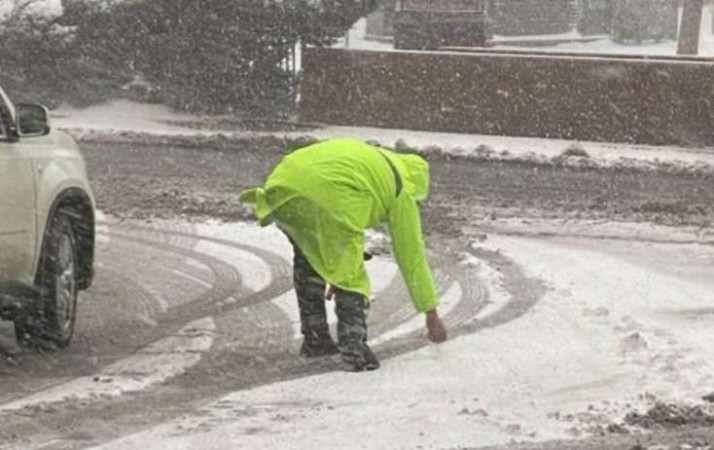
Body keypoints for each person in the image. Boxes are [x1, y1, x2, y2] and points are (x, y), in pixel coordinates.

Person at [239, 138, 447, 372]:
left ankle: (315, 339)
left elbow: (337, 222)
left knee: (308, 258)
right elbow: (412, 256)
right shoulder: (401, 189)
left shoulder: (372, 161)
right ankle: (353, 349)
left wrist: (334, 265)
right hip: (329, 193)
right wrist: (432, 314)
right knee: (352, 277)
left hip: (282, 188)